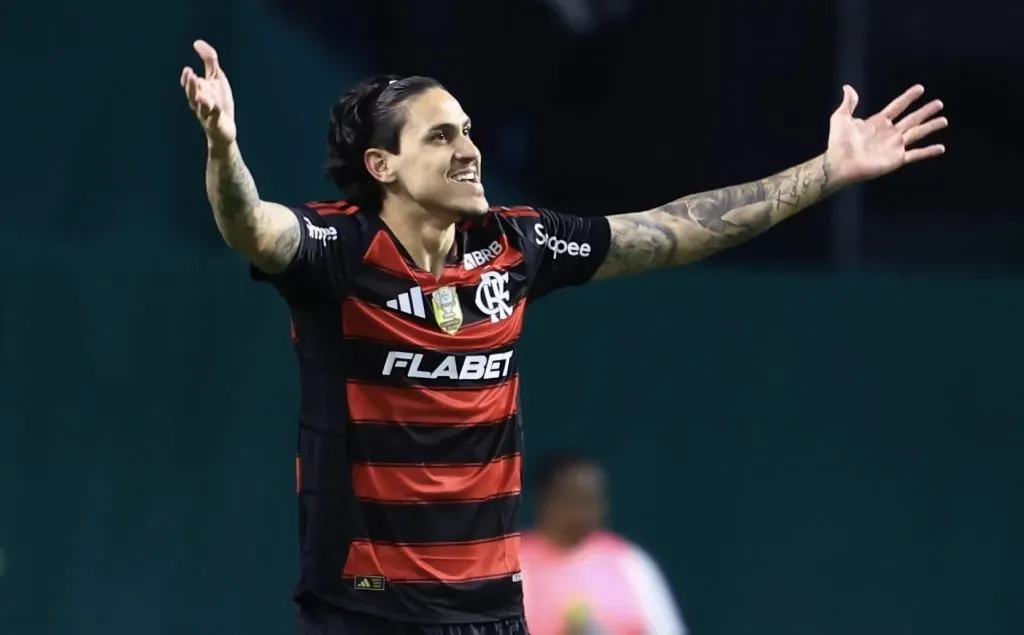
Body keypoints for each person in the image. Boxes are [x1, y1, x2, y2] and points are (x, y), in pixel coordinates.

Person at [179, 38, 946, 635]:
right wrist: (223, 149)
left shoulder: (517, 246)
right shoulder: (337, 251)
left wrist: (826, 170)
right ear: (380, 165)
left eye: (469, 131)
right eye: (441, 136)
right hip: (364, 612)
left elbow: (673, 231)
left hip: (492, 613)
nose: (469, 149)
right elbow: (253, 225)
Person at [520, 453, 686, 635]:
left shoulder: (629, 561)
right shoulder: (512, 563)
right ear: (544, 500)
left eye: (592, 501)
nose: (584, 512)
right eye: (574, 499)